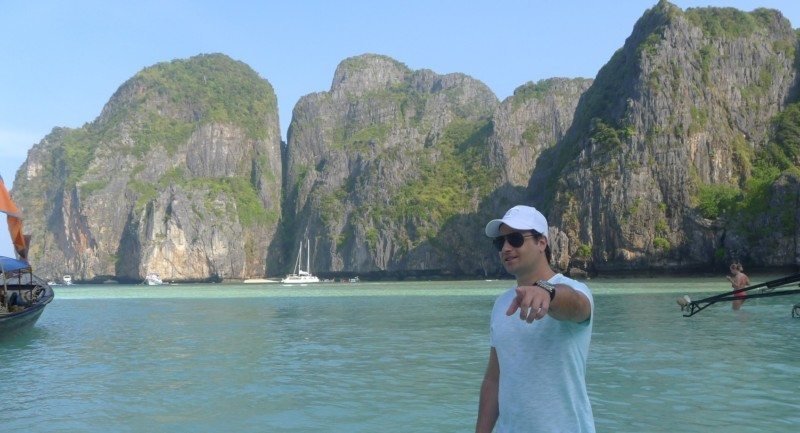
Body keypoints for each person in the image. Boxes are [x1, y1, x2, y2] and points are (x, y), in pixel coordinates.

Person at [475, 205, 595, 433]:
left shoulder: (575, 290)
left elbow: (577, 307)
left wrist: (547, 291)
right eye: (500, 242)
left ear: (542, 242)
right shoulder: (502, 304)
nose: (506, 248)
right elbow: (494, 379)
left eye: (516, 239)